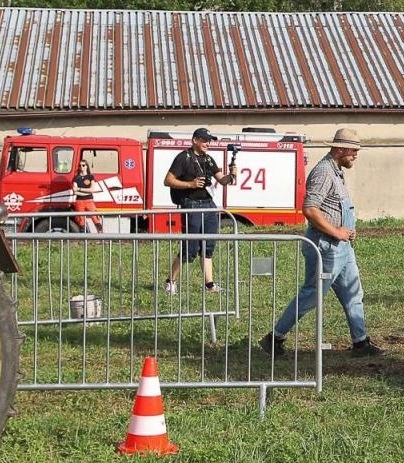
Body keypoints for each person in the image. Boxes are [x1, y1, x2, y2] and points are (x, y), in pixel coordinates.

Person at [261, 128, 382, 358]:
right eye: (353, 150)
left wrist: (346, 232)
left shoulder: (337, 171)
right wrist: (337, 232)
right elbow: (310, 209)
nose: (356, 155)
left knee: (353, 293)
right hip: (326, 247)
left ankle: (360, 342)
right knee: (312, 295)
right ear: (340, 149)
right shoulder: (324, 172)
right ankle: (274, 338)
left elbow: (333, 208)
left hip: (342, 247)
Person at [162, 128, 237, 294]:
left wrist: (231, 175)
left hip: (209, 205)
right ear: (195, 140)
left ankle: (209, 285)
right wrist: (190, 184)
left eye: (209, 140)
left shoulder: (208, 159)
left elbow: (222, 180)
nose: (207, 143)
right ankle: (170, 282)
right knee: (190, 247)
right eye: (204, 140)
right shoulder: (184, 157)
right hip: (191, 205)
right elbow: (168, 180)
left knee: (208, 246)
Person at [71, 160, 104, 234]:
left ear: (87, 166)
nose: (81, 167)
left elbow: (91, 189)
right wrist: (86, 192)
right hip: (79, 202)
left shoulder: (90, 177)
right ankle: (83, 240)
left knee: (96, 219)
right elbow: (75, 191)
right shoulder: (76, 178)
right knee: (81, 221)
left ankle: (101, 238)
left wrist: (80, 189)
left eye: (83, 165)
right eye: (80, 165)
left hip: (89, 201)